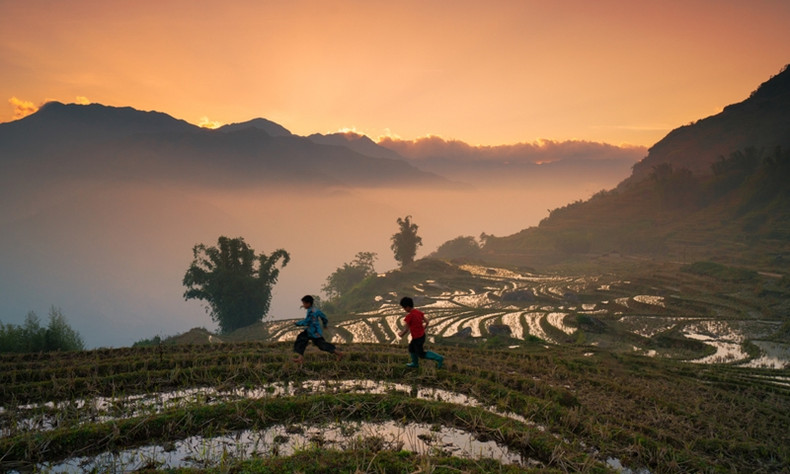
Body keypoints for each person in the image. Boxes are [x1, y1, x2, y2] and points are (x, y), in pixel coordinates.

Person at [293, 295, 344, 365]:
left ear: (308, 303)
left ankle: (339, 353)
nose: (303, 305)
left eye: (304, 303)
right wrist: (325, 324)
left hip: (313, 332)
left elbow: (307, 321)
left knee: (322, 345)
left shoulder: (311, 312)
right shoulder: (315, 310)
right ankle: (300, 358)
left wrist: (297, 323)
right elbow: (324, 317)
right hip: (311, 331)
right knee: (302, 340)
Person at [397, 296, 444, 369]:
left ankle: (439, 358)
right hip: (421, 336)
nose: (404, 309)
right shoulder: (418, 312)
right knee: (411, 348)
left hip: (417, 338)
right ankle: (415, 363)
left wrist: (401, 334)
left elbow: (406, 329)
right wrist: (423, 328)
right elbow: (427, 322)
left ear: (408, 307)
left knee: (421, 354)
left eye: (404, 308)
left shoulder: (409, 317)